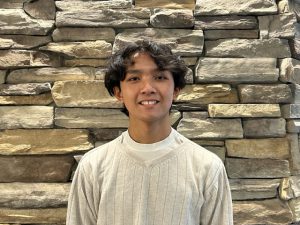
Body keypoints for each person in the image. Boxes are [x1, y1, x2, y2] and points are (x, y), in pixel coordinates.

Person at [66, 40, 233, 225]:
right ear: (118, 92)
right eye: (134, 79)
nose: (148, 89)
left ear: (175, 90)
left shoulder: (207, 168)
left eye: (160, 77)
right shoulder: (93, 167)